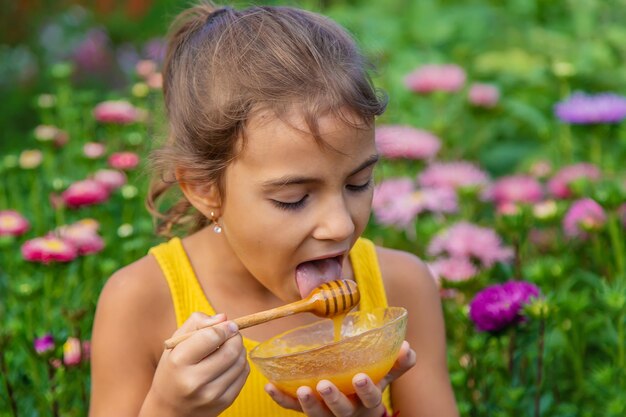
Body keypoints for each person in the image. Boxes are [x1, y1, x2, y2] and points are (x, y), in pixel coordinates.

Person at [89, 3, 459, 416]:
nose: (339, 225)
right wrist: (168, 409)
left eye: (358, 183)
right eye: (293, 199)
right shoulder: (140, 302)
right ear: (203, 187)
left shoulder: (401, 288)